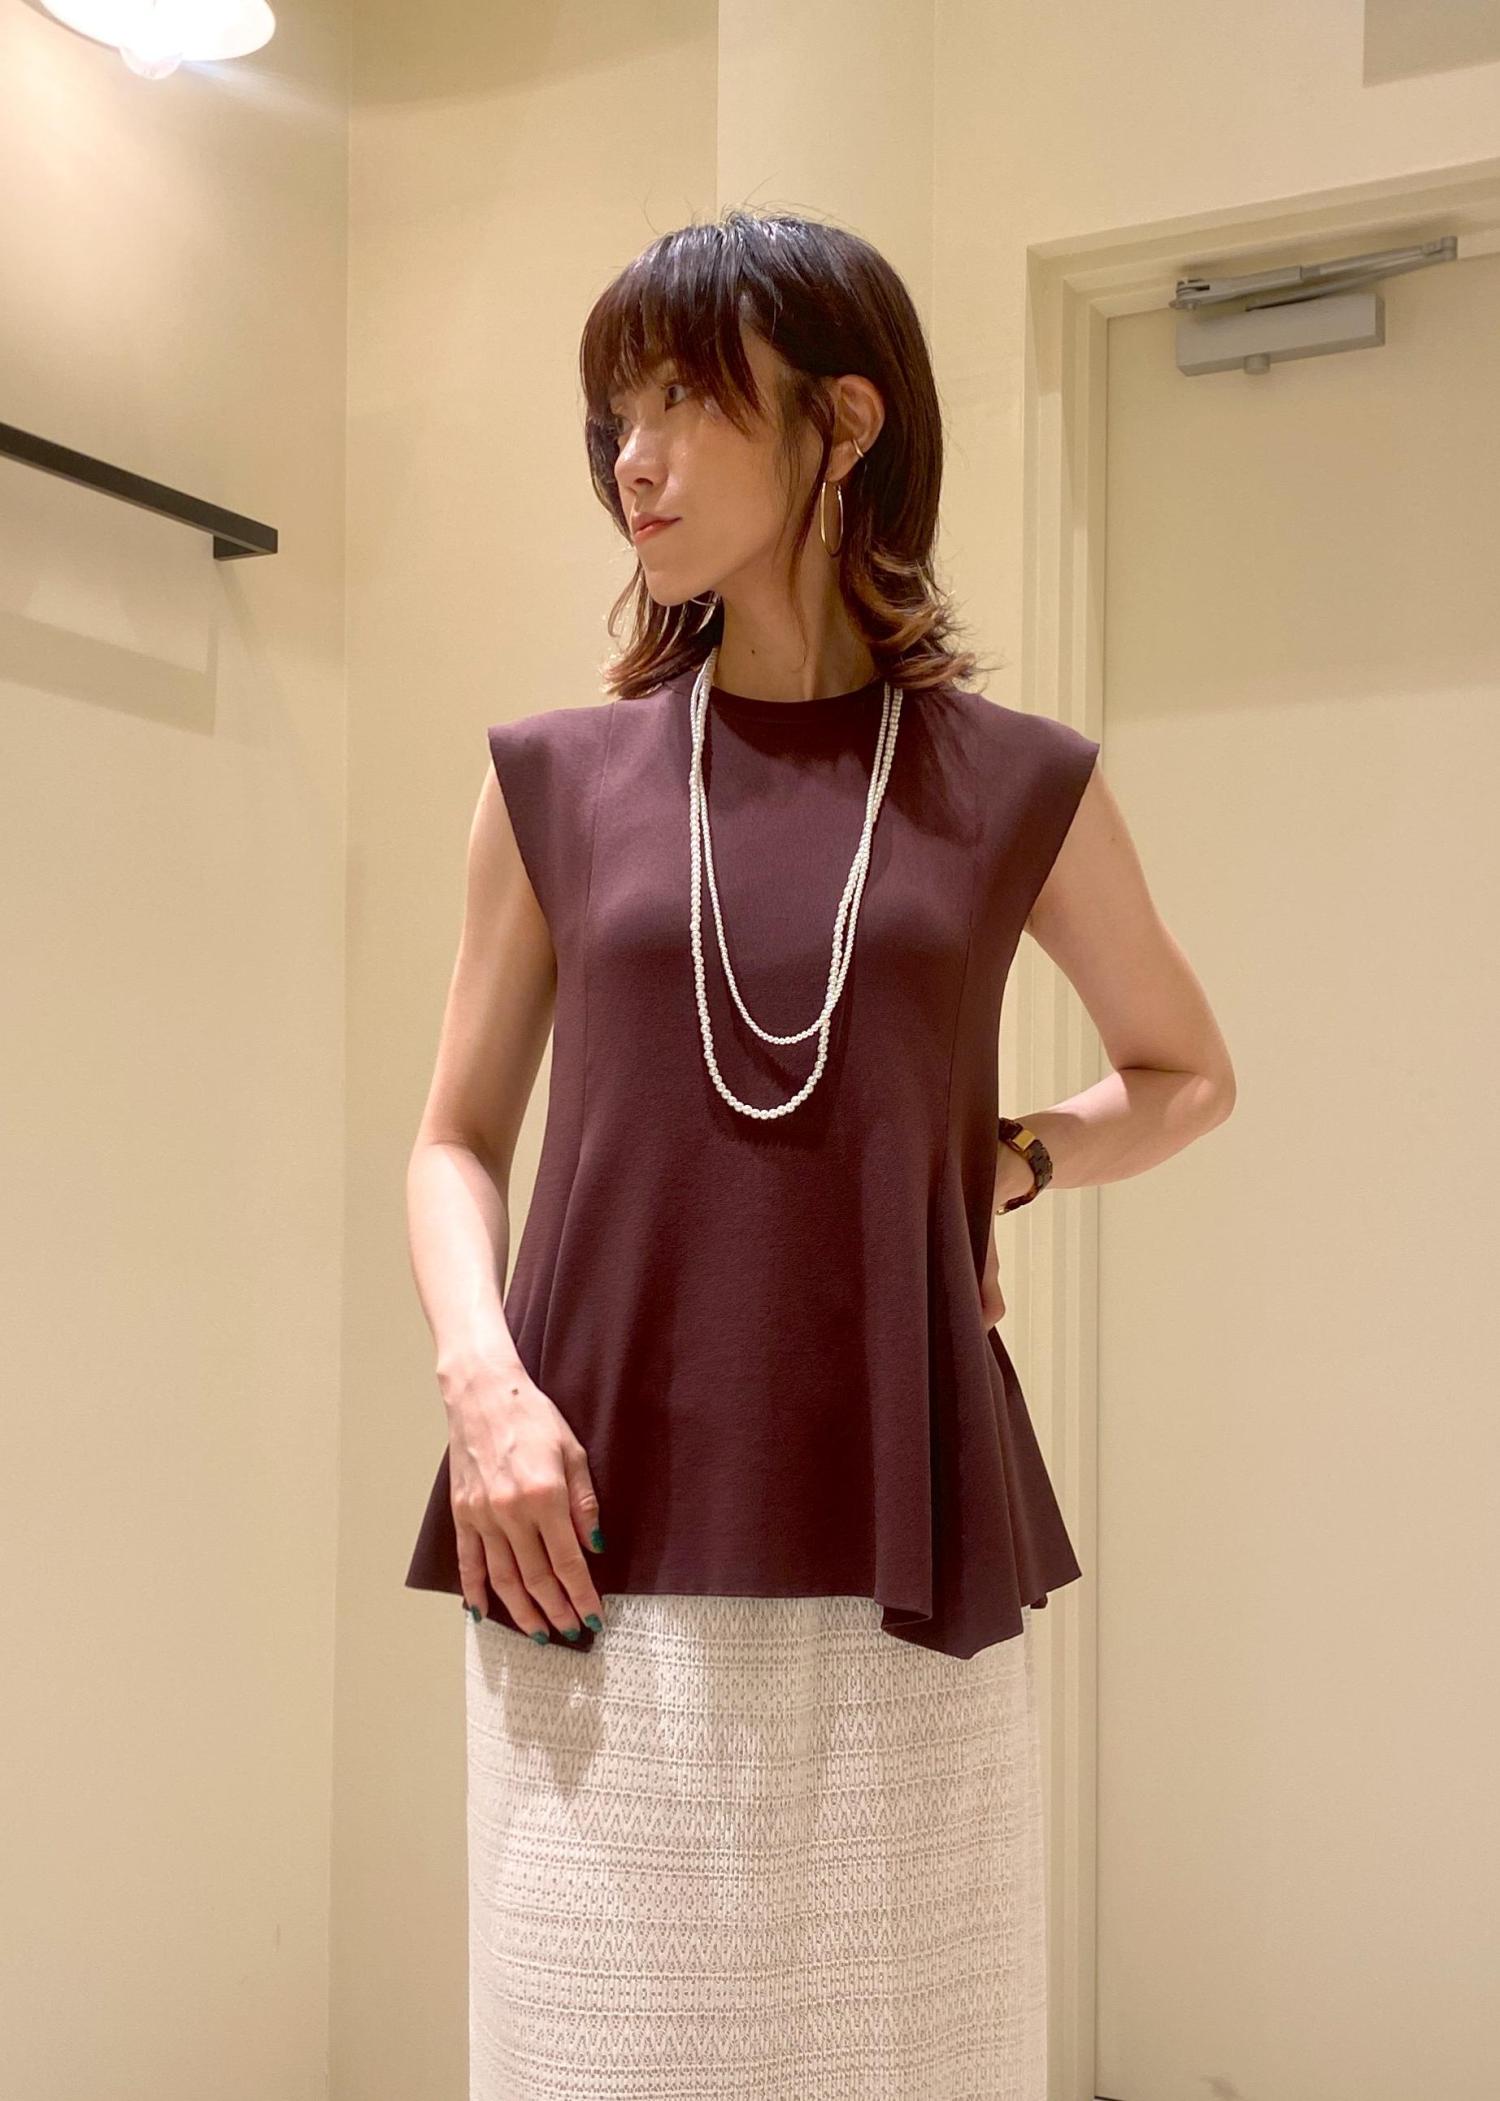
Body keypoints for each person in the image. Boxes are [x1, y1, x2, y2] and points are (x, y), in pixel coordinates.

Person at [403, 205, 1236, 2100]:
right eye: (615, 414)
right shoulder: (554, 781)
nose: (632, 458)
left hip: (899, 1527)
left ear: (844, 424)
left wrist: (1007, 1162)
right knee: (592, 2057)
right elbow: (454, 1136)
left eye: (682, 404)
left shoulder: (1015, 781)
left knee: (903, 2054)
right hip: (577, 1518)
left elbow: (1186, 1072)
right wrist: (482, 1384)